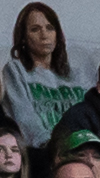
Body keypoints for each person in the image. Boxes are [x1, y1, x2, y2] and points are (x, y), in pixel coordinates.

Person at [3, 4, 86, 149]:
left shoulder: (76, 75)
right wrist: (54, 146)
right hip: (42, 152)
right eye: (35, 29)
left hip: (83, 149)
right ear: (23, 37)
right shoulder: (16, 70)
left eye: (50, 28)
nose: (44, 35)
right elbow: (25, 120)